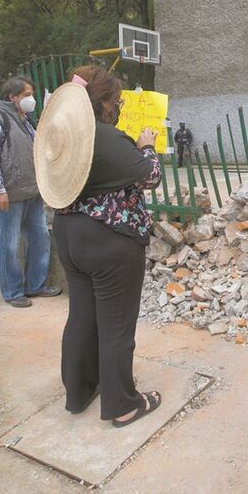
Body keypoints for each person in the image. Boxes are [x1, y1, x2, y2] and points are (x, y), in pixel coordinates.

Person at [53, 66, 164, 427]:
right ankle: (122, 405)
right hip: (109, 239)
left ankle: (79, 392)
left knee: (82, 317)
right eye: (115, 101)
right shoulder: (104, 136)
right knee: (116, 325)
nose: (118, 107)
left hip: (69, 234)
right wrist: (147, 146)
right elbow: (151, 176)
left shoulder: (63, 134)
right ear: (101, 103)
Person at [0, 76, 60, 307]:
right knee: (9, 242)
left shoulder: (26, 120)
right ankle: (13, 292)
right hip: (8, 194)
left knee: (40, 237)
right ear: (12, 97)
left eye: (31, 94)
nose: (31, 99)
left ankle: (36, 285)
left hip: (31, 192)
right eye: (26, 95)